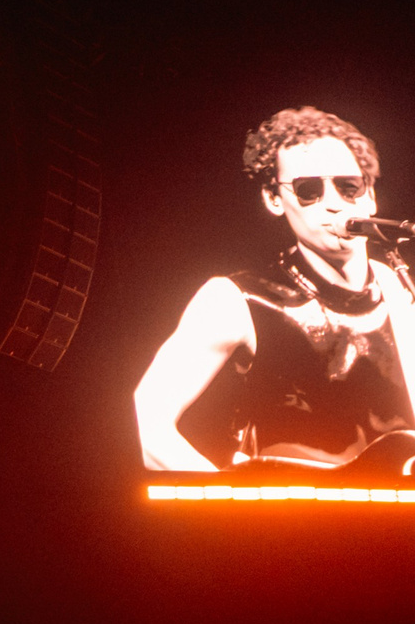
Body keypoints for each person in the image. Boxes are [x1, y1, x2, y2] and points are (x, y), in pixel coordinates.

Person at [135, 106, 415, 474]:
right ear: (274, 198)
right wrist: (227, 498)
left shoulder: (403, 294)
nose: (334, 203)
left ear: (370, 195)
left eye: (348, 186)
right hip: (279, 510)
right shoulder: (233, 299)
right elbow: (146, 419)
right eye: (309, 190)